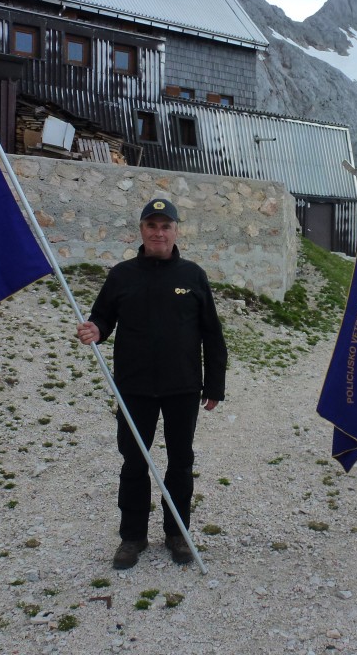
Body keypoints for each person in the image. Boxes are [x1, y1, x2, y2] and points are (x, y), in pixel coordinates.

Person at [76, 198, 227, 569]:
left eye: (165, 226)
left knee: (180, 462)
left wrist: (214, 386)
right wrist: (95, 331)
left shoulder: (193, 275)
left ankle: (177, 533)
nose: (158, 233)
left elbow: (212, 334)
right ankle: (133, 537)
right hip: (134, 388)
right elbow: (102, 319)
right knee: (134, 462)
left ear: (176, 231)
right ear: (141, 230)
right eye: (151, 226)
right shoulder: (121, 275)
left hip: (183, 387)